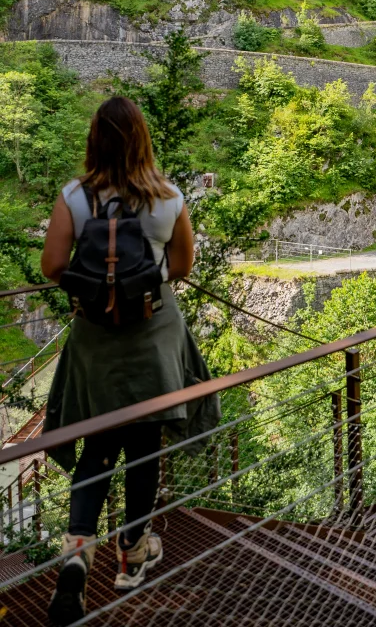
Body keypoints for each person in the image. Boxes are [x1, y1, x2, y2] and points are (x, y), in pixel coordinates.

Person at [41, 96, 219, 626]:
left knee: (97, 446)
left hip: (96, 341)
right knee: (144, 446)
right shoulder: (168, 197)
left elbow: (53, 264)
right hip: (153, 337)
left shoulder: (74, 196)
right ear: (142, 139)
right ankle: (132, 556)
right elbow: (182, 267)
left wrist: (97, 286)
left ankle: (76, 553)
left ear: (95, 140)